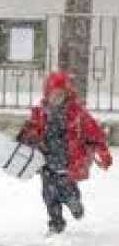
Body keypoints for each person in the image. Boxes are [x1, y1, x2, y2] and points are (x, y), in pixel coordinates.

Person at [17, 71, 112, 234]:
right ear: (47, 93)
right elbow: (29, 130)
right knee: (49, 195)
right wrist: (28, 137)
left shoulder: (78, 114)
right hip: (46, 162)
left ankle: (74, 203)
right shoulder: (40, 113)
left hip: (69, 162)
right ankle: (56, 223)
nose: (57, 98)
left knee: (67, 190)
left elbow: (95, 134)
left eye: (61, 95)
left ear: (67, 94)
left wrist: (102, 152)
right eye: (53, 94)